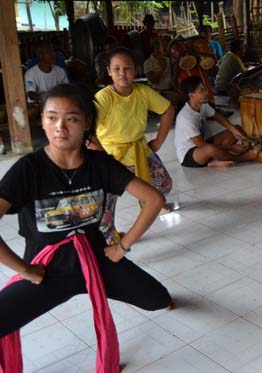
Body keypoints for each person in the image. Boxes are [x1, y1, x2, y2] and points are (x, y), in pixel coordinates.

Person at [0, 84, 172, 372]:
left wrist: (122, 246)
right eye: (52, 117)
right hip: (47, 273)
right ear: (41, 120)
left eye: (72, 118)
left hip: (96, 261)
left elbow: (154, 199)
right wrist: (24, 269)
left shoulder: (99, 164)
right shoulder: (28, 169)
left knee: (158, 300)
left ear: (87, 123)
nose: (60, 127)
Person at [89, 47, 175, 244]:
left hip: (139, 149)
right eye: (117, 69)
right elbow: (89, 133)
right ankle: (110, 239)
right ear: (109, 71)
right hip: (111, 154)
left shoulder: (142, 91)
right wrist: (103, 158)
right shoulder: (103, 98)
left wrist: (159, 141)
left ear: (135, 70)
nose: (122, 73)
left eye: (127, 68)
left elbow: (168, 110)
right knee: (106, 205)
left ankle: (149, 203)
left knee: (164, 184)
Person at [175, 76, 259, 168]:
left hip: (202, 144)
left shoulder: (203, 105)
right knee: (210, 149)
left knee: (236, 128)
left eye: (205, 89)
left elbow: (217, 117)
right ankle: (242, 158)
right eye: (201, 90)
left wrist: (233, 130)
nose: (206, 92)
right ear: (191, 96)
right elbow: (201, 145)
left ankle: (214, 160)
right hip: (189, 154)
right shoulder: (186, 117)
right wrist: (231, 148)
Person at [144, 37, 180, 104]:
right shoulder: (148, 62)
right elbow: (154, 81)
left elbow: (175, 77)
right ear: (157, 47)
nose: (168, 49)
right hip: (156, 94)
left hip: (170, 92)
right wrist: (163, 67)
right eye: (165, 46)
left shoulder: (170, 60)